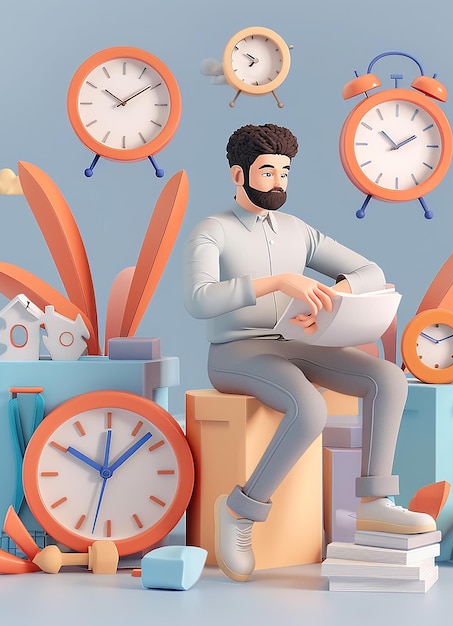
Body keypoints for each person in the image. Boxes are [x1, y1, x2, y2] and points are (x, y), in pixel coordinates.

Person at [183, 123, 435, 582]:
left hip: (297, 343)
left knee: (387, 379)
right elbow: (198, 299)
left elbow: (370, 270)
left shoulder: (296, 230)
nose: (278, 181)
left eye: (285, 172)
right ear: (238, 175)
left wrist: (332, 296)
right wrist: (278, 282)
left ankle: (376, 501)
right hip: (237, 351)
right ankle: (241, 511)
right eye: (267, 171)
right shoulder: (212, 230)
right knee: (309, 408)